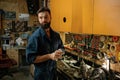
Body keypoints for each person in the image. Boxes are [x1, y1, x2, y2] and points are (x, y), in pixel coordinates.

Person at [26, 7, 65, 80]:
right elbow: (30, 59)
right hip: (41, 75)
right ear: (38, 19)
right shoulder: (35, 37)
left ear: (50, 18)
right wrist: (49, 56)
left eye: (46, 17)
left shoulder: (56, 35)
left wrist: (60, 52)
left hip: (53, 73)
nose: (43, 20)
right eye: (41, 18)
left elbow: (62, 48)